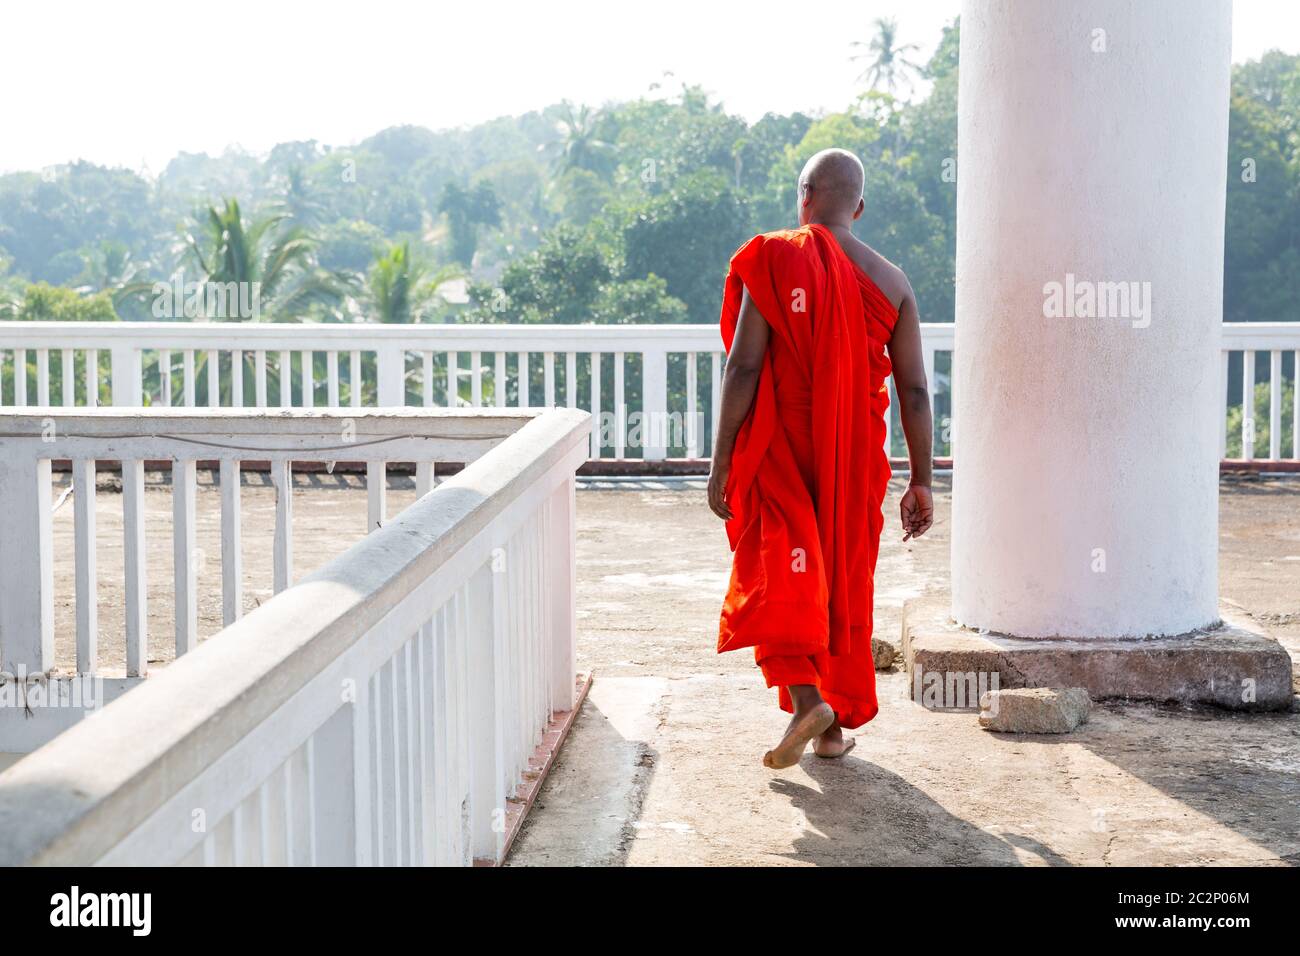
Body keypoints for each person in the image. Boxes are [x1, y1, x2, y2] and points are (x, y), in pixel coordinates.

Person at [707, 148, 934, 769]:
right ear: (858, 207)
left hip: (783, 451)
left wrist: (722, 458)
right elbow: (914, 390)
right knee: (840, 578)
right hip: (856, 457)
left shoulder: (779, 258)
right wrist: (922, 481)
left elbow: (744, 366)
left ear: (802, 196)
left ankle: (811, 704)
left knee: (779, 570)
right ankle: (830, 725)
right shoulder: (893, 281)